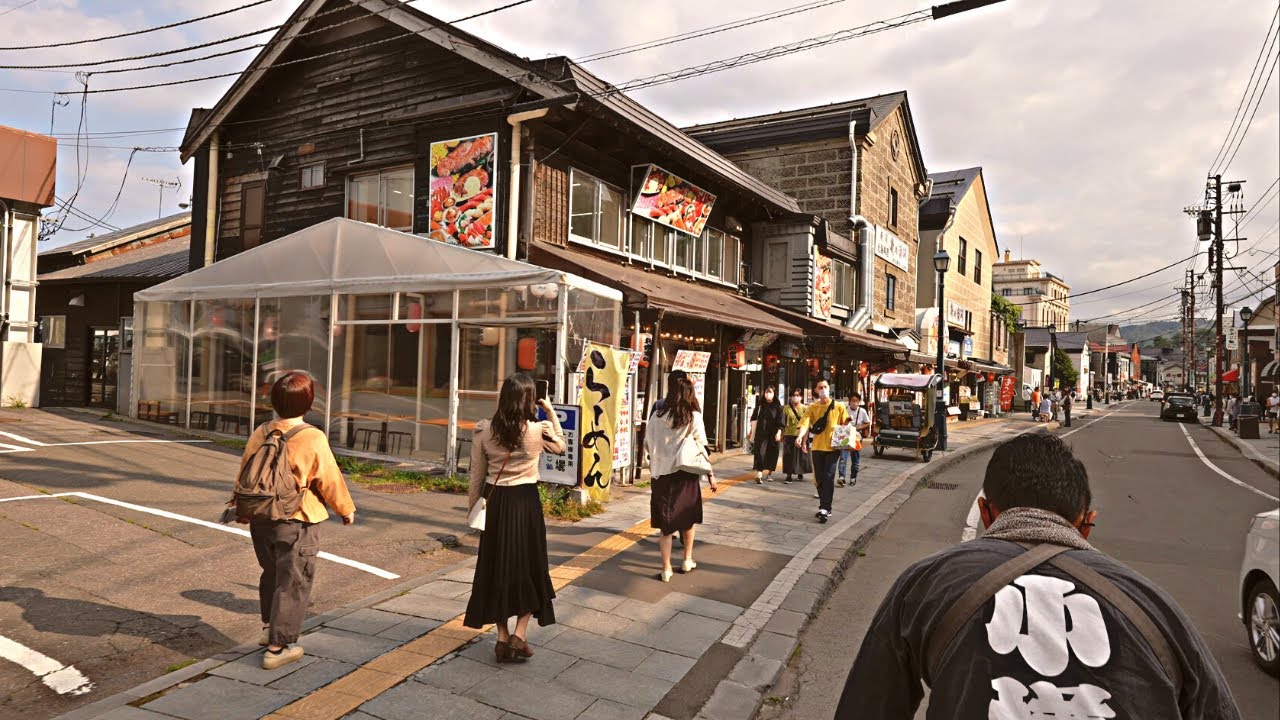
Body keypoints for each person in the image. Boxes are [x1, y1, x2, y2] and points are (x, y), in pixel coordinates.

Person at [835, 433, 1242, 720]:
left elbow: (868, 706)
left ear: (985, 513)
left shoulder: (925, 584)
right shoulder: (1155, 607)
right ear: (1086, 525)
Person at [233, 372, 356, 671]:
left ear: (274, 401)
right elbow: (328, 478)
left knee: (271, 573)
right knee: (294, 580)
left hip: (261, 516)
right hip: (296, 518)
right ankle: (278, 647)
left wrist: (241, 507)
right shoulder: (311, 436)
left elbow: (245, 471)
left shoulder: (261, 431)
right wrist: (345, 509)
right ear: (309, 401)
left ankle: (268, 630)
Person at [464, 373, 566, 663]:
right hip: (525, 504)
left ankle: (502, 638)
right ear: (529, 399)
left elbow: (476, 475)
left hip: (495, 504)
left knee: (496, 567)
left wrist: (474, 511)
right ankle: (520, 634)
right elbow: (560, 446)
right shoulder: (537, 430)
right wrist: (550, 412)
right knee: (529, 566)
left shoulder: (484, 430)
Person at [646, 374, 718, 582]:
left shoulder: (657, 416)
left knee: (665, 526)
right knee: (687, 520)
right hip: (685, 475)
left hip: (661, 475)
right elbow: (702, 446)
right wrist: (710, 474)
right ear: (689, 394)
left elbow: (648, 445)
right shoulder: (693, 416)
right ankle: (687, 559)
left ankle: (666, 569)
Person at [795, 378, 851, 524]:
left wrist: (848, 423)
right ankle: (825, 507)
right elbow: (805, 424)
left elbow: (845, 423)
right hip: (818, 447)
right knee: (819, 478)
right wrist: (801, 437)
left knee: (828, 476)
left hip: (833, 448)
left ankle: (825, 508)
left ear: (829, 388)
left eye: (825, 386)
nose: (823, 389)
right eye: (820, 387)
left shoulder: (839, 406)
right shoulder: (812, 407)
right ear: (815, 390)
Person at [748, 387, 784, 484]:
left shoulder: (778, 407)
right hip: (761, 433)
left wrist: (779, 432)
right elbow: (753, 419)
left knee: (772, 453)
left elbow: (781, 422)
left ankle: (769, 473)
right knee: (760, 452)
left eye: (770, 392)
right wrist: (751, 431)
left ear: (774, 394)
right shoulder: (760, 406)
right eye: (766, 392)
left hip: (773, 434)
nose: (768, 394)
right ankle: (759, 473)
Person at [837, 393, 872, 487]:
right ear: (849, 401)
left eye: (857, 401)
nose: (854, 403)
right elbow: (839, 422)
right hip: (845, 436)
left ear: (859, 402)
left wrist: (860, 426)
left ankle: (853, 478)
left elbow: (868, 423)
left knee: (855, 459)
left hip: (857, 437)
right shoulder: (844, 410)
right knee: (843, 458)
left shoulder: (862, 411)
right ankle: (842, 477)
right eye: (853, 401)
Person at [781, 390, 809, 486]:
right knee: (788, 455)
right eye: (793, 395)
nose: (795, 397)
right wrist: (781, 434)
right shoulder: (786, 408)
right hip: (789, 434)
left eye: (797, 395)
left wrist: (804, 439)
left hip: (801, 434)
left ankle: (800, 472)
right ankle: (789, 475)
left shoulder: (805, 408)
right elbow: (782, 422)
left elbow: (807, 423)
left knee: (800, 456)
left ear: (801, 397)